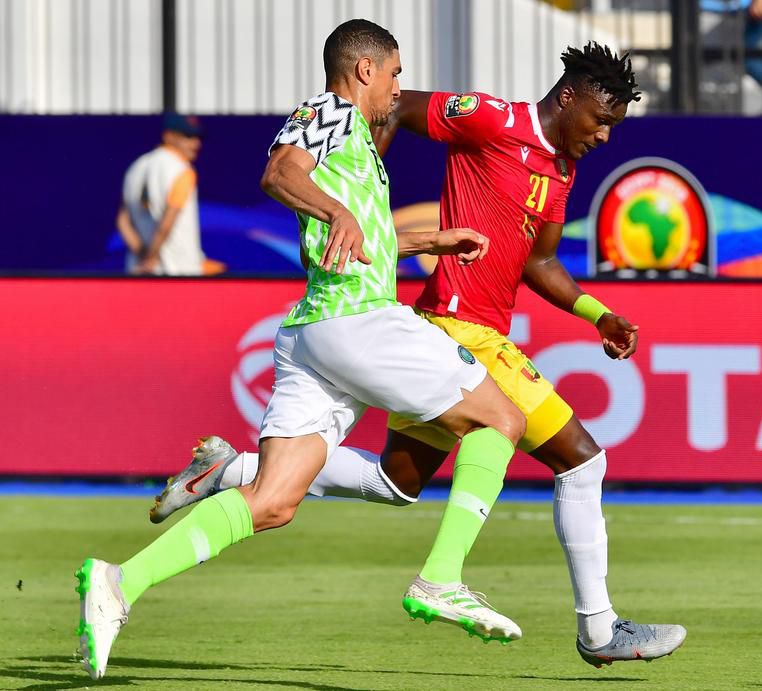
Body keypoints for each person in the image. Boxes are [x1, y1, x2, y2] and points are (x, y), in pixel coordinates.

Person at [151, 42, 687, 668]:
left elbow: (539, 262)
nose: (603, 134)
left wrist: (598, 314)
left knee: (396, 483)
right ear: (568, 97)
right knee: (582, 461)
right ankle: (598, 630)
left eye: (613, 126)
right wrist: (362, 194)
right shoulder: (490, 118)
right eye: (600, 119)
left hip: (474, 332)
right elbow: (397, 106)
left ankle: (233, 473)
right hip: (462, 331)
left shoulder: (561, 172)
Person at [76, 19, 532, 680]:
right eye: (396, 73)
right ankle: (440, 578)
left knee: (274, 500)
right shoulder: (329, 111)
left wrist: (425, 242)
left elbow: (352, 239)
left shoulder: (357, 144)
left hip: (316, 332)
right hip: (358, 322)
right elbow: (280, 172)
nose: (398, 88)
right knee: (502, 417)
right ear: (366, 69)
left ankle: (119, 582)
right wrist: (336, 212)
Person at [117, 113, 223, 275]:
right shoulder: (180, 169)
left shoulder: (135, 168)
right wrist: (151, 257)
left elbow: (123, 222)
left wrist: (142, 255)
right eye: (188, 136)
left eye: (197, 137)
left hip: (139, 270)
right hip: (178, 271)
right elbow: (168, 220)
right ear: (168, 136)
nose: (196, 143)